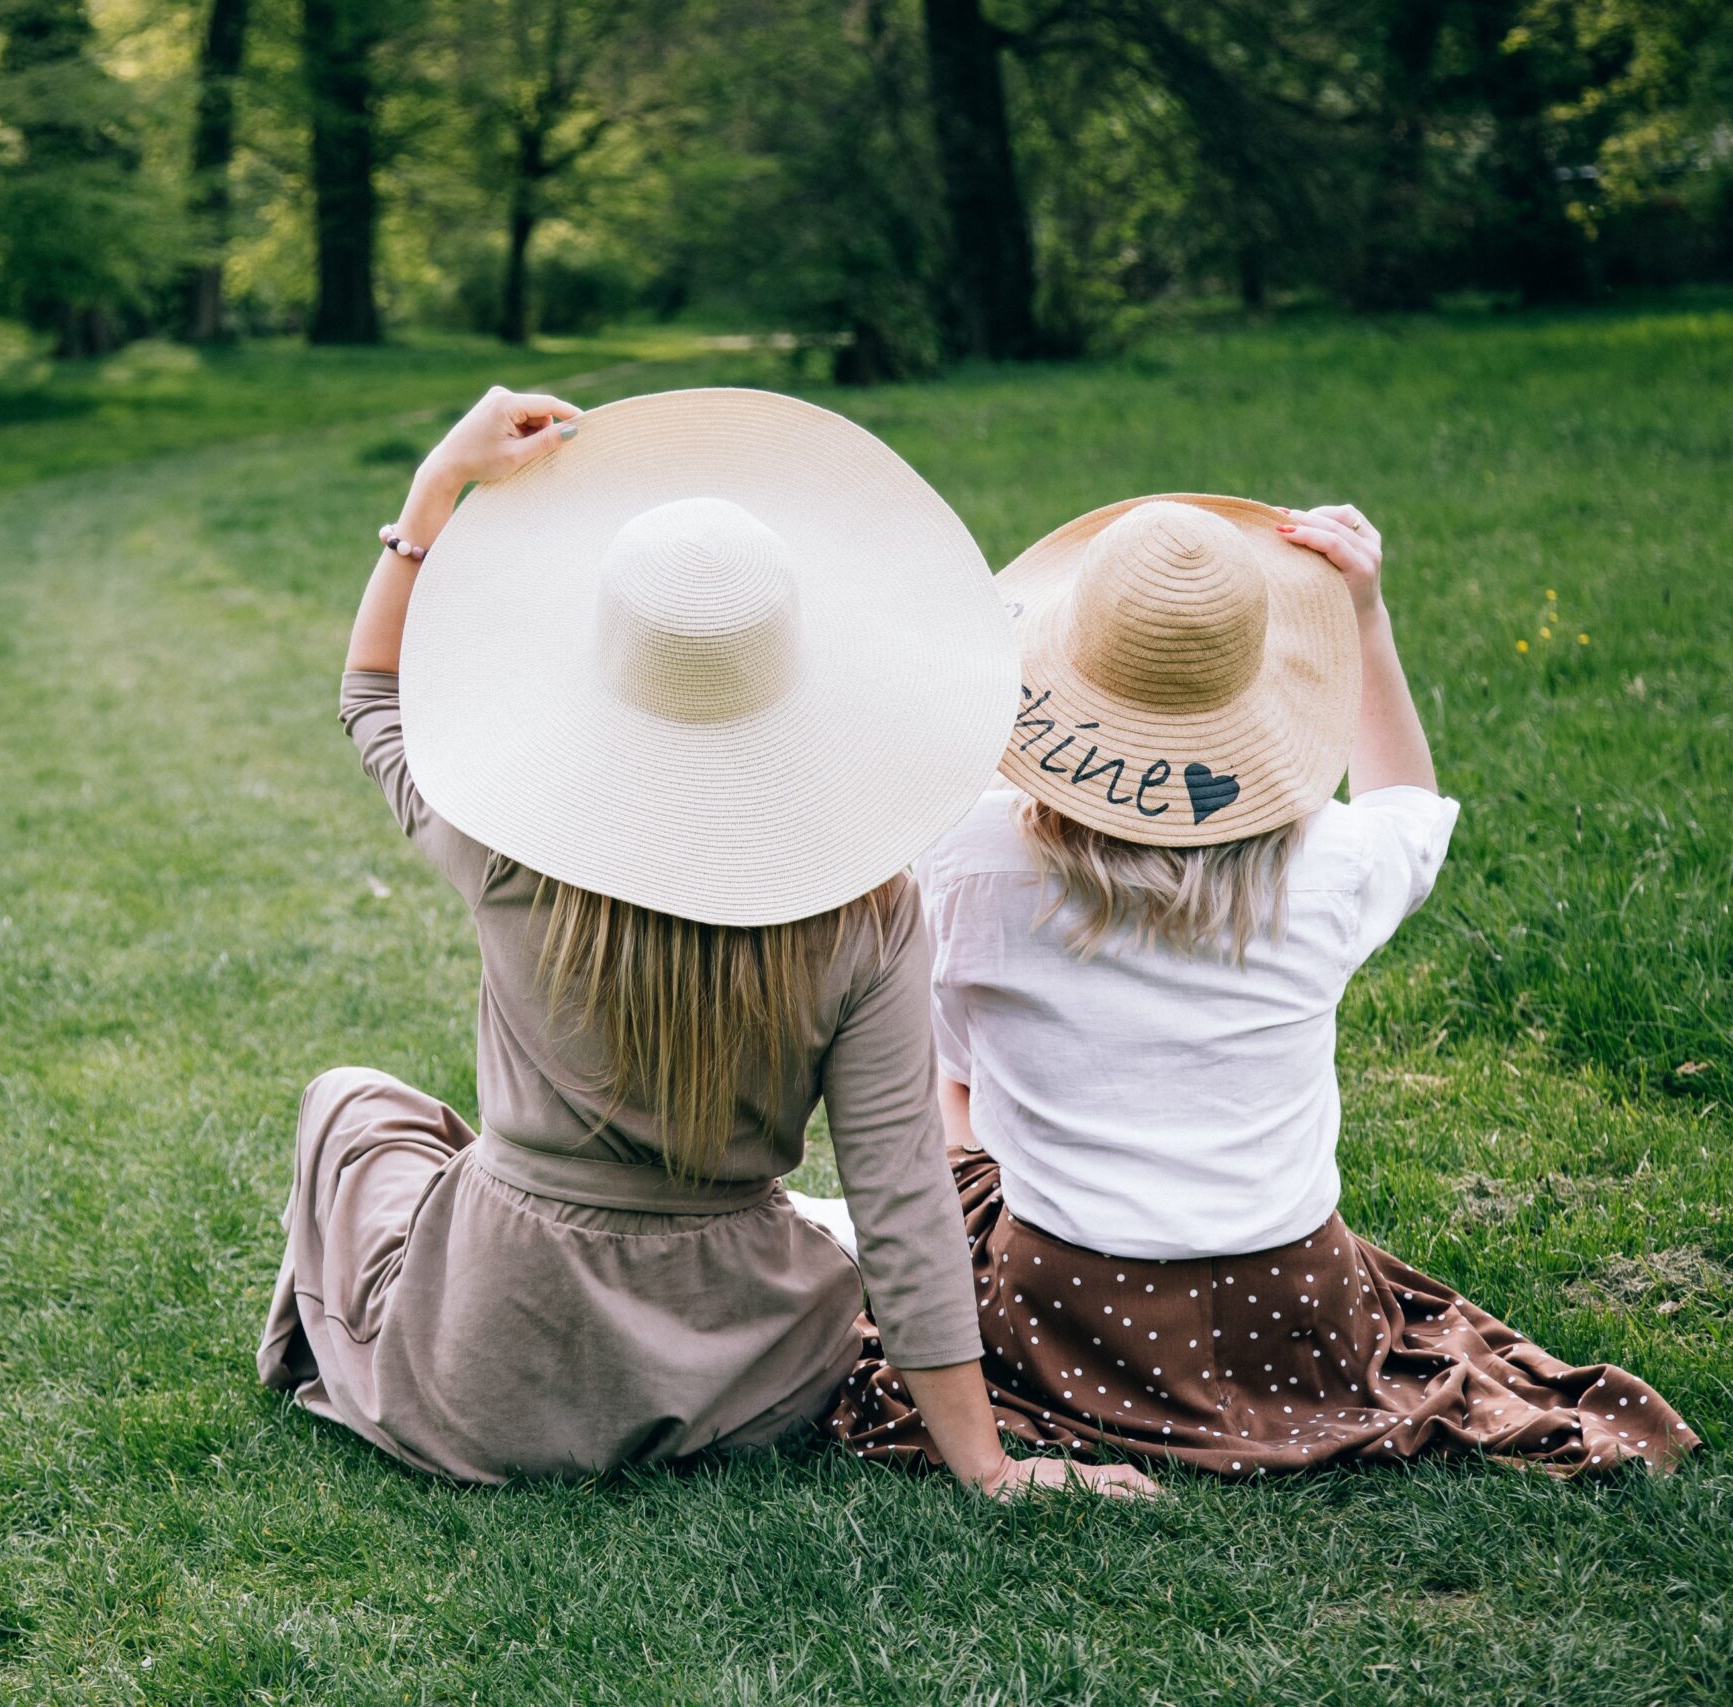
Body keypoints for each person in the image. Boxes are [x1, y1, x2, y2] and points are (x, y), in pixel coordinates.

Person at [258, 384, 1157, 1497]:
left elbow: (372, 696)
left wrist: (432, 489)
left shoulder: (500, 848)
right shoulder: (870, 909)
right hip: (745, 1378)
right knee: (818, 1232)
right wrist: (988, 1467)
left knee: (356, 1105)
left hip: (483, 1374)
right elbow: (900, 1195)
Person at [828, 495, 1697, 1476]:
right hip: (1295, 1300)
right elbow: (1409, 809)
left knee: (960, 1081)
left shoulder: (966, 859)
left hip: (1068, 1304)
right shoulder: (1333, 862)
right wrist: (1365, 616)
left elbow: (956, 1059)